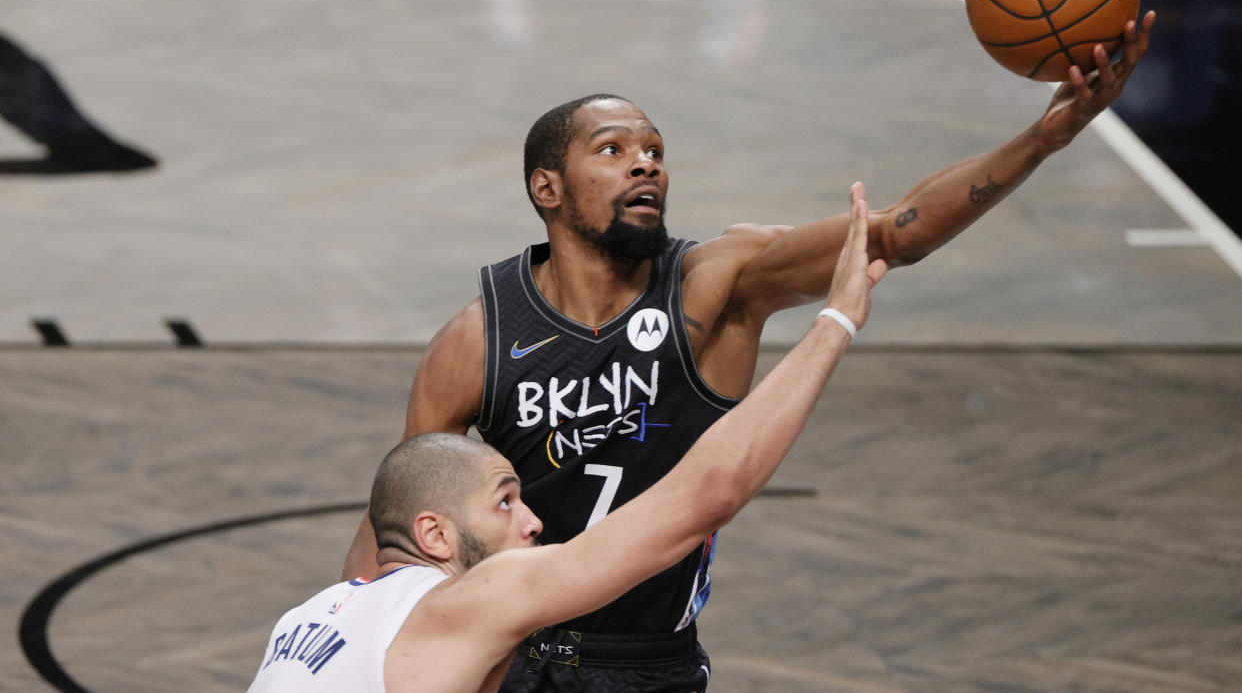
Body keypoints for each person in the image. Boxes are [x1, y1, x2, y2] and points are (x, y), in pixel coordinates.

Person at [340, 12, 1156, 691]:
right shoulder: (476, 339)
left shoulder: (718, 283)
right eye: (614, 150)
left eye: (655, 149)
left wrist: (1044, 139)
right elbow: (399, 529)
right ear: (546, 189)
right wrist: (341, 640)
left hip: (647, 662)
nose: (646, 164)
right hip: (507, 653)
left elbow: (898, 231)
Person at [250, 183, 886, 693]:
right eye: (506, 501)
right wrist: (836, 321)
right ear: (434, 534)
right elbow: (707, 494)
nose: (534, 523)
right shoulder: (471, 604)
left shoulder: (308, 618)